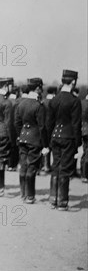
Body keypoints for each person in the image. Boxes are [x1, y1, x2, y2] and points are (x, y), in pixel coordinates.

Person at [46, 69, 82, 211]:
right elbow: (76, 124)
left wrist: (48, 141)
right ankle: (62, 201)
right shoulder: (74, 101)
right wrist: (78, 144)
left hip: (55, 136)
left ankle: (53, 198)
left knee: (56, 166)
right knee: (65, 169)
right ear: (73, 82)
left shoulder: (54, 100)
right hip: (68, 137)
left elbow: (49, 123)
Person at [14, 77, 48, 204]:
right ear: (38, 88)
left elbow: (17, 122)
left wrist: (20, 134)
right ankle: (30, 196)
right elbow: (42, 127)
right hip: (34, 140)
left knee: (23, 166)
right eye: (41, 87)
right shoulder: (39, 106)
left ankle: (23, 194)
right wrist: (45, 145)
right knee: (32, 167)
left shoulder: (21, 103)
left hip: (23, 138)